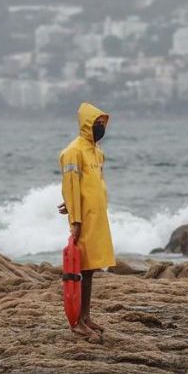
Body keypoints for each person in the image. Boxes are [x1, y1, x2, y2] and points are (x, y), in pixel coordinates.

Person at [58, 102, 116, 340]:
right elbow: (70, 185)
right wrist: (75, 217)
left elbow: (91, 185)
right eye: (97, 123)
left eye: (103, 123)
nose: (101, 127)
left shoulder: (96, 152)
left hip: (97, 216)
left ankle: (87, 316)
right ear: (86, 125)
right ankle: (77, 322)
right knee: (80, 269)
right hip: (84, 219)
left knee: (91, 269)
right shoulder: (74, 151)